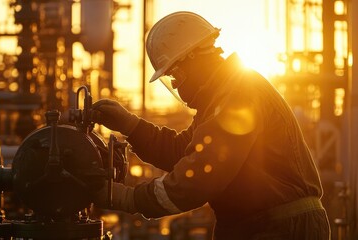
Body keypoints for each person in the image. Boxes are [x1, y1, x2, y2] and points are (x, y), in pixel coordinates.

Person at [90, 11, 331, 239]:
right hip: (263, 226)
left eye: (176, 76)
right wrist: (132, 126)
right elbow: (183, 152)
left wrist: (129, 199)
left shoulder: (239, 93)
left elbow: (198, 177)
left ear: (194, 60)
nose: (175, 86)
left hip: (281, 228)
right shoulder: (221, 97)